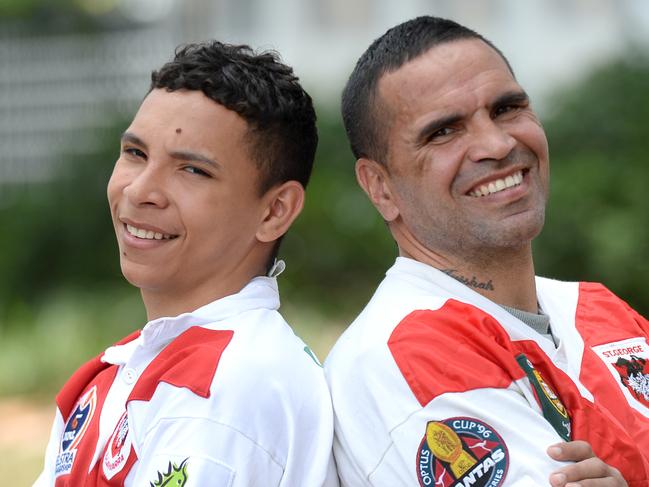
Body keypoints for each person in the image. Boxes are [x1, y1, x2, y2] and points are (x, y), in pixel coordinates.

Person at [325, 15, 649, 487]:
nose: (497, 145)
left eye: (507, 108)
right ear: (380, 187)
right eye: (444, 132)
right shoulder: (400, 353)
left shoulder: (597, 307)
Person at [35, 41, 338, 486]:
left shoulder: (230, 385)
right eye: (135, 153)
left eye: (192, 170)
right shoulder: (118, 370)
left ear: (274, 211)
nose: (140, 191)